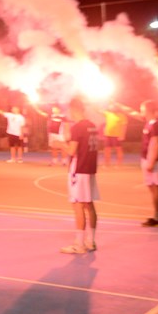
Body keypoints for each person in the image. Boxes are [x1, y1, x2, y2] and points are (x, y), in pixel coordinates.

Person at [61, 98, 99, 253]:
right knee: (89, 205)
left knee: (78, 206)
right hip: (90, 169)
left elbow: (71, 151)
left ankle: (79, 244)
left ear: (73, 109)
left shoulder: (78, 127)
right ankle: (91, 241)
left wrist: (60, 144)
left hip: (79, 170)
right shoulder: (92, 126)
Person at [138, 100, 158, 226]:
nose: (140, 112)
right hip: (149, 158)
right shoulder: (150, 123)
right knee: (156, 187)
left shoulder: (155, 124)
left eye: (142, 109)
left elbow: (156, 143)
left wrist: (151, 162)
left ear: (147, 110)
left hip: (152, 160)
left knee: (156, 187)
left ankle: (157, 216)